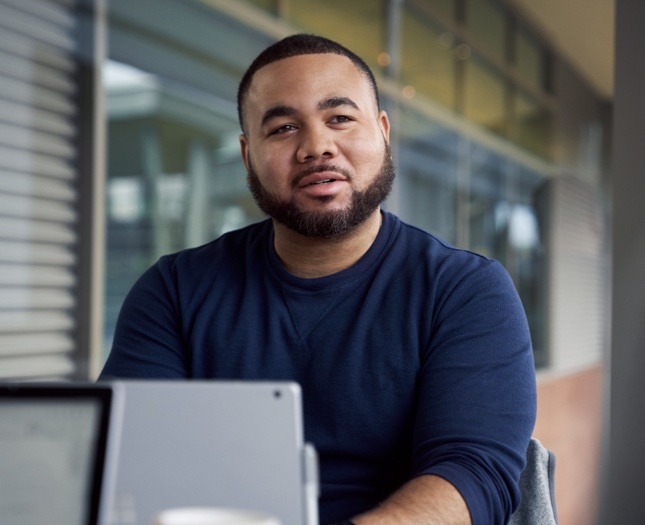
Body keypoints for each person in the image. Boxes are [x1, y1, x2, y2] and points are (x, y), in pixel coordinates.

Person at [100, 34, 537, 525]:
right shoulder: (174, 290)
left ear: (383, 131)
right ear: (248, 157)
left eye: (340, 118)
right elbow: (127, 460)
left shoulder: (465, 290)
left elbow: (473, 473)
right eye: (284, 127)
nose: (316, 146)